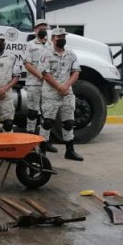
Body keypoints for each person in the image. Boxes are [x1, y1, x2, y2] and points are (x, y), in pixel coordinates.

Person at [40, 27, 84, 161]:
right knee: (48, 122)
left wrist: (66, 86)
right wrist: (59, 87)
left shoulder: (71, 54)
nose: (62, 39)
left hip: (67, 93)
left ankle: (70, 151)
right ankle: (42, 152)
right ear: (53, 39)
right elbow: (45, 73)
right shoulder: (46, 54)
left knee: (69, 122)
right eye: (59, 37)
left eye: (63, 37)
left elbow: (76, 72)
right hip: (50, 93)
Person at [23, 18, 57, 152]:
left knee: (47, 113)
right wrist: (41, 76)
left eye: (44, 29)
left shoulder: (51, 45)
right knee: (33, 112)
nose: (42, 31)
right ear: (35, 30)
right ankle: (29, 142)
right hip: (34, 84)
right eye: (40, 28)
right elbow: (27, 64)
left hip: (49, 85)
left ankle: (45, 141)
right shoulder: (30, 45)